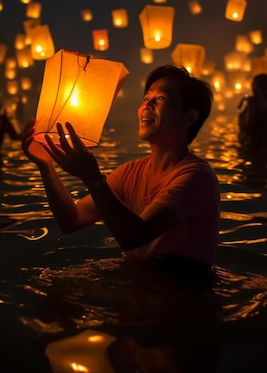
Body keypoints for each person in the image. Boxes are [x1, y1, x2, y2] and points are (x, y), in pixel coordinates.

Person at [21, 65, 220, 279]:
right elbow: (72, 220)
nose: (147, 105)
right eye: (145, 98)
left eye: (160, 98)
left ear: (189, 117)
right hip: (138, 284)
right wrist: (45, 166)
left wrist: (93, 178)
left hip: (182, 295)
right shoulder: (130, 172)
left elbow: (135, 235)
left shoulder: (197, 177)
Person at [238, 73, 267, 153]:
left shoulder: (253, 101)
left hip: (253, 143)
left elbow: (248, 123)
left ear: (257, 86)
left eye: (253, 84)